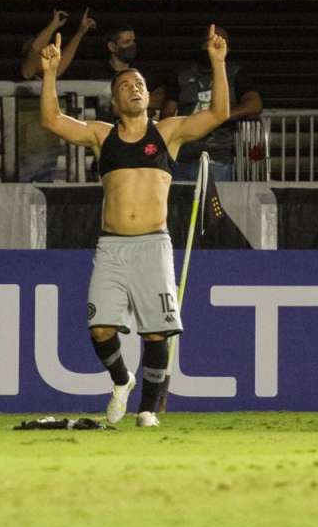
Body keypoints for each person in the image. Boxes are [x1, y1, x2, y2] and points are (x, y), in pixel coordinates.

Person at [39, 24, 230, 427]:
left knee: (156, 333)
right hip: (112, 247)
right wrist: (51, 73)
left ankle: (147, 410)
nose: (135, 88)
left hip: (153, 245)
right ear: (114, 100)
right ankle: (121, 380)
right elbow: (53, 120)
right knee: (101, 329)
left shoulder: (168, 133)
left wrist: (217, 62)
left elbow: (219, 114)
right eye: (126, 85)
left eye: (140, 83)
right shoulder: (102, 136)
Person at [161, 26, 262, 181]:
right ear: (202, 45)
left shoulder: (236, 73)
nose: (213, 46)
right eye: (209, 41)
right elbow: (167, 112)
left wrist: (219, 116)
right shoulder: (182, 74)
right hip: (183, 156)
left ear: (227, 49)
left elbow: (255, 104)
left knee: (214, 204)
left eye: (219, 42)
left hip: (218, 157)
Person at [19, 8, 95, 80]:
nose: (43, 51)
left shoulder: (50, 72)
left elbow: (60, 65)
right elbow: (34, 49)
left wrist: (81, 32)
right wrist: (53, 25)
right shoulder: (26, 71)